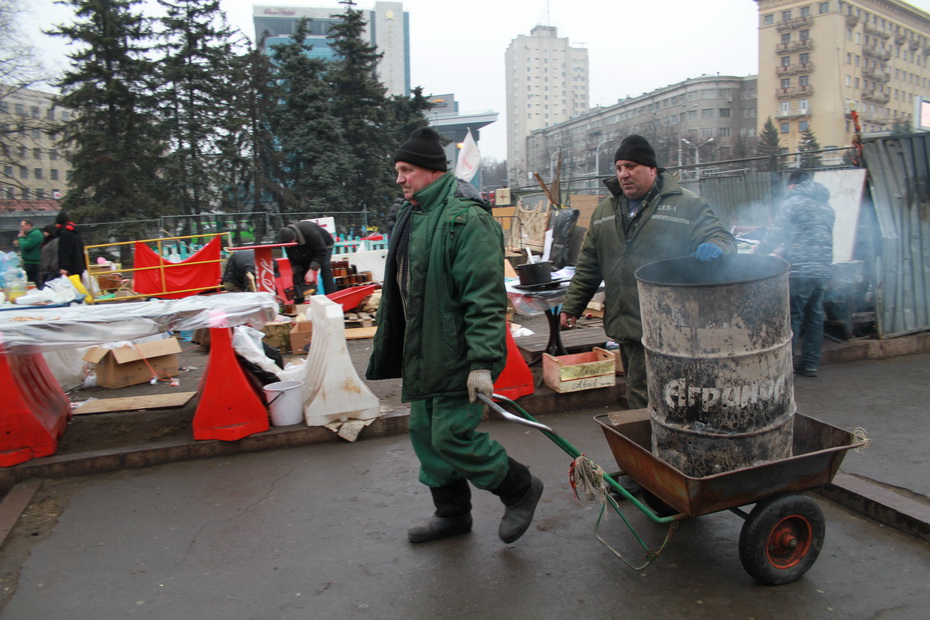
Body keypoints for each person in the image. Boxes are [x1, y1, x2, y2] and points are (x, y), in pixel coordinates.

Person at [367, 127, 544, 544]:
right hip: (422, 349)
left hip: (456, 353)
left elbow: (483, 297)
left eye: (406, 170)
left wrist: (482, 361)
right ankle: (451, 514)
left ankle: (519, 488)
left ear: (431, 171)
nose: (399, 179)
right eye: (397, 170)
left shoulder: (467, 217)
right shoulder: (415, 213)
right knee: (425, 434)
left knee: (451, 436)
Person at [560, 134, 736, 411]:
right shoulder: (605, 210)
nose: (623, 174)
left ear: (652, 169)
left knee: (671, 394)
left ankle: (660, 445)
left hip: (671, 322)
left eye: (631, 167)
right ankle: (650, 446)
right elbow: (589, 264)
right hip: (627, 321)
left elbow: (721, 236)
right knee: (640, 392)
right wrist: (572, 306)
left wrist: (715, 246)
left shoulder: (686, 204)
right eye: (619, 168)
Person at [754, 168, 835, 378]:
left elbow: (778, 232)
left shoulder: (794, 202)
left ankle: (786, 366)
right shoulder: (826, 206)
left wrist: (760, 252)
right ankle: (810, 364)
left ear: (793, 185)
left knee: (794, 316)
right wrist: (785, 249)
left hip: (800, 269)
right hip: (823, 268)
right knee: (815, 317)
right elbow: (811, 236)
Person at [277, 220, 334, 303]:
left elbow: (321, 252)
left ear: (294, 238)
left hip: (324, 246)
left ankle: (331, 297)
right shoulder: (287, 243)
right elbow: (293, 260)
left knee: (325, 266)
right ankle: (299, 303)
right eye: (287, 245)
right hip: (304, 251)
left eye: (290, 243)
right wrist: (297, 273)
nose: (289, 246)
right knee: (298, 274)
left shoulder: (311, 233)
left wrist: (311, 270)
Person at [56, 211, 87, 278]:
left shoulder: (64, 233)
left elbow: (65, 250)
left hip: (71, 267)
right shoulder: (75, 230)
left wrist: (64, 267)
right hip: (79, 264)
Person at [14, 220, 43, 285]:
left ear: (28, 225)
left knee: (33, 282)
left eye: (22, 226)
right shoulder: (30, 234)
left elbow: (25, 246)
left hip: (33, 263)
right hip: (29, 262)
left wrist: (21, 238)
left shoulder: (35, 234)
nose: (21, 228)